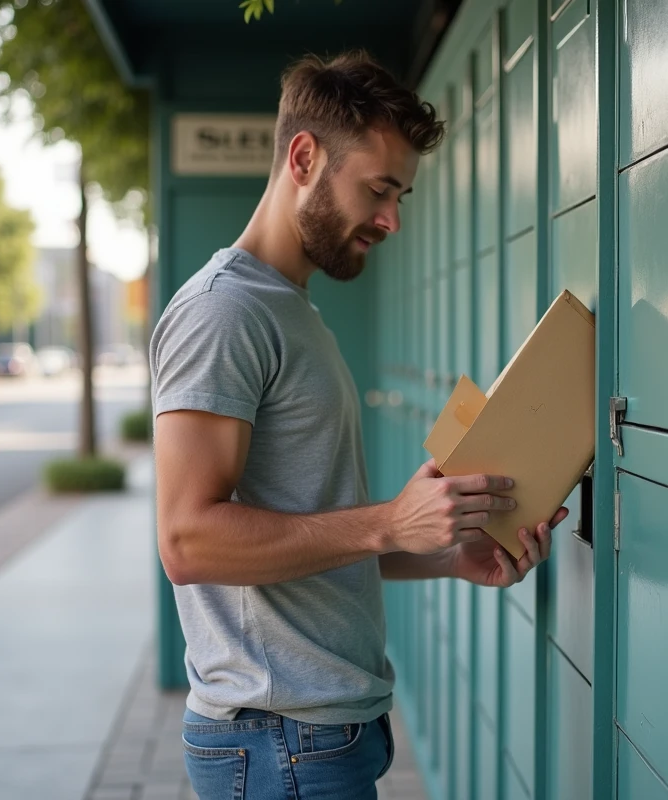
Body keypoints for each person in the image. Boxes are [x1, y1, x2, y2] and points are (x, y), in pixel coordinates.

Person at [150, 49, 569, 800]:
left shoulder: (290, 307)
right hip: (279, 739)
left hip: (317, 736)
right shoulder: (224, 311)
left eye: (400, 195)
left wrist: (441, 552)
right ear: (304, 157)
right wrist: (386, 524)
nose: (392, 220)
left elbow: (301, 535)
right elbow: (187, 540)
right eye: (379, 190)